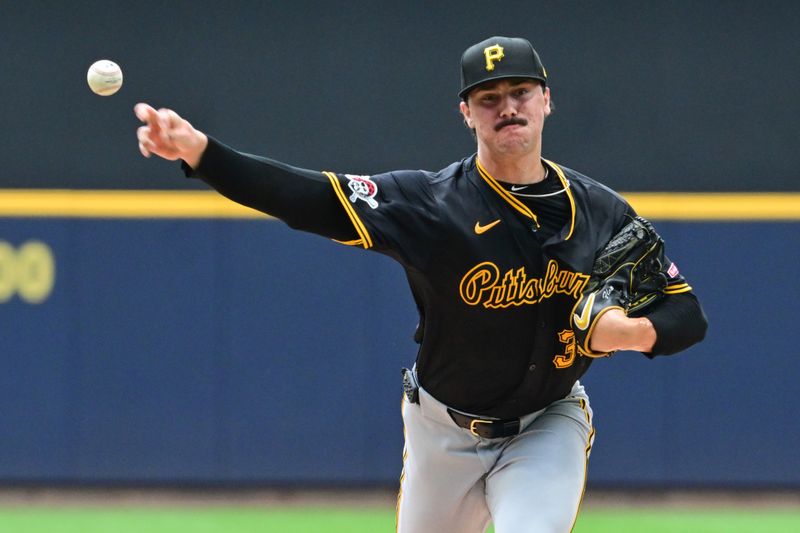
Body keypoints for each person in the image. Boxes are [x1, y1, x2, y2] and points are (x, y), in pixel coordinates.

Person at [135, 36, 707, 533]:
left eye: (521, 92)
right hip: (443, 431)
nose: (507, 107)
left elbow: (686, 314)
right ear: (467, 112)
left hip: (548, 422)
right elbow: (308, 197)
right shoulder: (430, 205)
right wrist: (201, 154)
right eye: (489, 98)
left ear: (546, 100)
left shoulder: (602, 212)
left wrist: (628, 332)